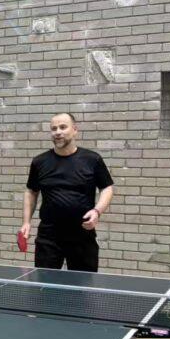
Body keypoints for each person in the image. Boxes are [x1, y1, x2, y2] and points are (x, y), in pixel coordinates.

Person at [20, 111, 114, 272]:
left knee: (82, 285)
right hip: (49, 237)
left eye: (63, 127)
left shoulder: (92, 159)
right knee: (45, 284)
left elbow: (107, 187)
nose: (58, 132)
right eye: (54, 128)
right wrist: (26, 222)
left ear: (75, 130)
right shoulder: (39, 162)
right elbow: (31, 191)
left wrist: (97, 211)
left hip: (82, 235)